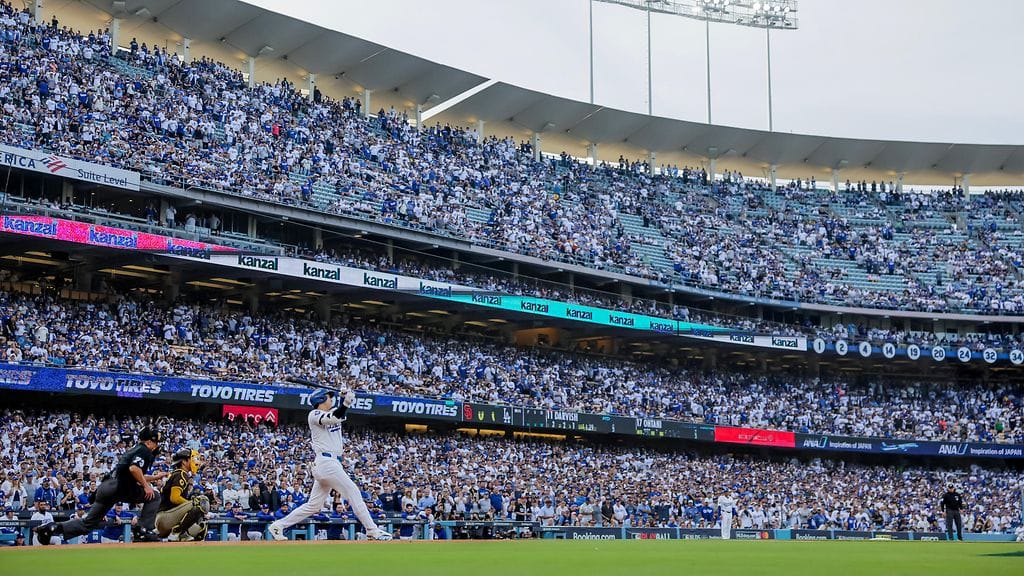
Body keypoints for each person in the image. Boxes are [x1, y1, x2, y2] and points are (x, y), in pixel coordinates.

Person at [267, 387, 392, 541]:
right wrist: (345, 403)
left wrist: (344, 399)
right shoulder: (314, 414)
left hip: (330, 463)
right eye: (328, 397)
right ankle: (372, 530)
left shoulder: (332, 411)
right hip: (326, 462)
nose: (331, 399)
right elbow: (334, 417)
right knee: (353, 492)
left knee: (313, 505)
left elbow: (339, 415)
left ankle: (278, 526)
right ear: (320, 399)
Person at [35, 428, 167, 545]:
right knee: (154, 496)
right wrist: (146, 486)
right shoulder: (144, 450)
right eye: (156, 442)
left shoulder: (134, 449)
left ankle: (50, 528)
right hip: (119, 487)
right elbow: (134, 469)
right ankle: (142, 531)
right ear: (148, 442)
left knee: (88, 523)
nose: (157, 446)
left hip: (106, 487)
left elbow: (133, 474)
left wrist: (154, 478)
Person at [156, 449, 210, 542]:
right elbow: (174, 498)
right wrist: (191, 503)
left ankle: (182, 535)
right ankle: (178, 532)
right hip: (166, 517)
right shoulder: (181, 474)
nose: (196, 461)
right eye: (192, 459)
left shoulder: (177, 473)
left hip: (169, 518)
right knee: (201, 501)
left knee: (200, 529)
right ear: (184, 461)